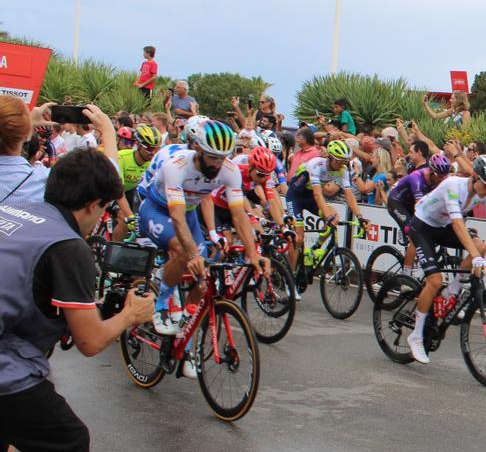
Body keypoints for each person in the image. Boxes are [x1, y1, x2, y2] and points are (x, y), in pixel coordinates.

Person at [0, 148, 154, 452]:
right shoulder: (68, 246)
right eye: (105, 209)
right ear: (92, 205)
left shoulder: (12, 210)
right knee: (68, 441)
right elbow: (91, 341)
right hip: (5, 367)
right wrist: (130, 314)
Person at [138, 118, 269, 372]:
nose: (217, 164)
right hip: (157, 209)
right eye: (212, 157)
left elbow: (239, 215)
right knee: (182, 251)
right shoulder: (177, 166)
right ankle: (163, 302)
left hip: (187, 212)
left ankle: (185, 336)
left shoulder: (228, 170)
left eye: (223, 157)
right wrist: (191, 253)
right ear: (198, 149)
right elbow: (175, 216)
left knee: (203, 279)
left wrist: (252, 253)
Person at [406, 155, 486, 364]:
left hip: (441, 226)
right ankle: (415, 336)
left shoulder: (484, 192)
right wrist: (476, 258)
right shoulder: (453, 185)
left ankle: (453, 290)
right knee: (434, 280)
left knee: (480, 246)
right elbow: (458, 225)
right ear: (475, 176)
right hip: (423, 226)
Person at [285, 140, 367, 299]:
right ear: (330, 157)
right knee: (298, 238)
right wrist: (326, 213)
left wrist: (361, 217)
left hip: (310, 198)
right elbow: (317, 194)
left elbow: (349, 195)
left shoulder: (343, 170)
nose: (342, 164)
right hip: (295, 197)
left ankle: (315, 249)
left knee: (335, 217)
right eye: (339, 160)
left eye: (345, 161)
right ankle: (289, 280)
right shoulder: (316, 164)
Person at [386, 154, 451, 276]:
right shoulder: (417, 178)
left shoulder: (441, 178)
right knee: (416, 236)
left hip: (412, 205)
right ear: (432, 172)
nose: (443, 179)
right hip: (397, 203)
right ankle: (406, 276)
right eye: (440, 176)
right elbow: (420, 207)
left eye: (445, 176)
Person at [112, 125, 161, 241]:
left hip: (129, 191)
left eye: (156, 149)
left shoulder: (152, 163)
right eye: (149, 148)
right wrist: (130, 216)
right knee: (126, 219)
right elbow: (118, 193)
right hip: (110, 191)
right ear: (138, 145)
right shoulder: (122, 158)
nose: (153, 153)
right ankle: (114, 251)